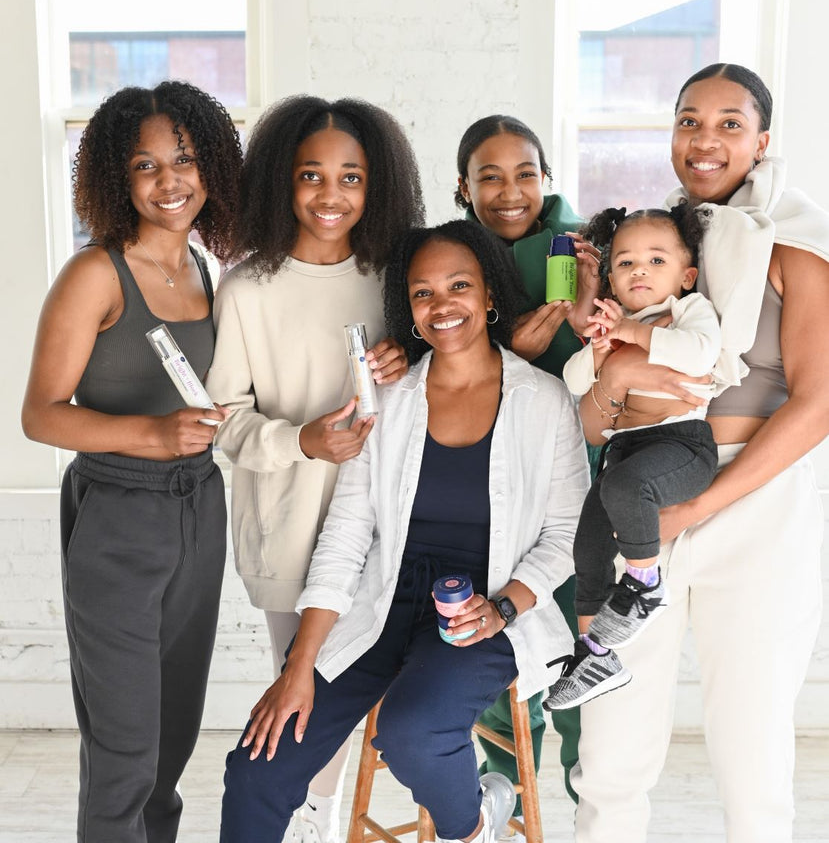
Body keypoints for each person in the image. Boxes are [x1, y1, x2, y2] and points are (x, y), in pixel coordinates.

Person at [218, 220, 591, 843]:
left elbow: (566, 533)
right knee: (258, 767)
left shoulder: (545, 400)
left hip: (485, 607)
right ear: (410, 312)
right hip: (383, 600)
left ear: (490, 295)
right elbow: (346, 535)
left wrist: (503, 607)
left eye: (460, 286)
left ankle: (474, 823)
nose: (443, 305)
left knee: (412, 732)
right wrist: (298, 665)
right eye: (423, 293)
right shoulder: (388, 402)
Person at [571, 63, 829, 843]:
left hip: (757, 504)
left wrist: (701, 507)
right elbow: (591, 417)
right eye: (688, 120)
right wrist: (613, 372)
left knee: (749, 749)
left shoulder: (794, 242)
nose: (705, 139)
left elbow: (817, 404)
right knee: (611, 745)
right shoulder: (653, 249)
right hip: (639, 485)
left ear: (762, 138)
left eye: (728, 122)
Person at [21, 81, 243, 843]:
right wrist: (152, 437)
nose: (168, 180)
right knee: (124, 750)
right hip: (117, 513)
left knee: (172, 742)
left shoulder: (209, 274)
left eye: (183, 159)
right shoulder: (94, 275)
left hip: (199, 510)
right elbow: (39, 414)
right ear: (117, 177)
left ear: (210, 165)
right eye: (144, 165)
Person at [205, 95, 425, 843]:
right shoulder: (245, 291)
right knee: (311, 695)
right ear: (279, 180)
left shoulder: (398, 279)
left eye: (351, 177)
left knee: (387, 703)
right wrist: (303, 442)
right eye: (310, 174)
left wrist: (411, 359)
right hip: (290, 534)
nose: (330, 196)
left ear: (378, 184)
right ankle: (314, 823)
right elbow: (223, 425)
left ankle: (324, 818)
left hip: (392, 532)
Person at [454, 115, 600, 803]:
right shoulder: (449, 261)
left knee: (582, 633)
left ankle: (587, 785)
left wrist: (594, 312)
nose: (510, 191)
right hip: (492, 483)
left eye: (525, 174)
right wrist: (513, 356)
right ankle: (504, 784)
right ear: (463, 186)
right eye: (489, 176)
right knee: (503, 637)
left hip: (586, 478)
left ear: (546, 178)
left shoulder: (583, 250)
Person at [544, 204, 720, 710]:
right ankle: (594, 653)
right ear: (611, 281)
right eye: (624, 263)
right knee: (588, 546)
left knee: (625, 489)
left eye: (655, 260)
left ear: (686, 276)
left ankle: (644, 583)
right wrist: (599, 353)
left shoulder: (689, 312)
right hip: (623, 451)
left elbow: (699, 355)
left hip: (681, 444)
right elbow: (576, 387)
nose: (638, 270)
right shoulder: (610, 326)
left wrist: (634, 335)